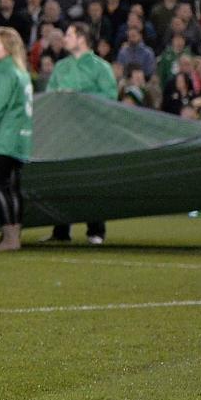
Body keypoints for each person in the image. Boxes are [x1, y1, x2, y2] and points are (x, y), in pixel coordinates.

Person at [44, 20, 115, 244]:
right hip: (64, 132)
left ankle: (95, 230)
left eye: (69, 34)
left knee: (90, 182)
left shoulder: (101, 67)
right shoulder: (60, 67)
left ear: (81, 38)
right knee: (61, 182)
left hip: (90, 134)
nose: (64, 38)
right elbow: (49, 97)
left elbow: (110, 99)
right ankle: (60, 231)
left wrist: (80, 98)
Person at [0, 25, 34, 252]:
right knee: (13, 187)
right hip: (21, 139)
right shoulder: (21, 72)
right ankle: (15, 236)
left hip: (4, 139)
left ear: (8, 48)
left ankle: (9, 238)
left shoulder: (4, 73)